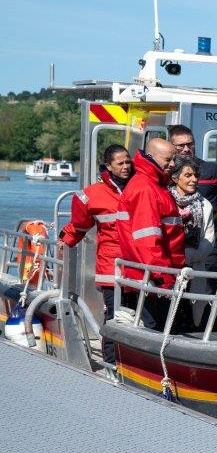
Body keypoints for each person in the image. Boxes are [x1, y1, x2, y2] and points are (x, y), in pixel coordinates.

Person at [58, 144, 133, 366]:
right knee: (113, 316)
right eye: (120, 163)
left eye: (128, 161)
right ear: (108, 166)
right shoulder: (93, 195)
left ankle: (131, 363)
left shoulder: (139, 187)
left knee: (134, 317)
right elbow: (80, 225)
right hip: (111, 267)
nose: (126, 166)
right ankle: (112, 363)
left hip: (138, 265)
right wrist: (66, 240)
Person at [115, 138, 185, 330]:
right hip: (152, 280)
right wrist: (163, 278)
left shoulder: (153, 185)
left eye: (174, 160)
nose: (172, 164)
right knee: (155, 330)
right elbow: (148, 239)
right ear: (152, 157)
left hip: (154, 275)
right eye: (168, 159)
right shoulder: (146, 188)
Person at [168, 125, 217, 271]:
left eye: (190, 144)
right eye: (180, 145)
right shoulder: (165, 172)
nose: (186, 149)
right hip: (174, 248)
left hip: (208, 246)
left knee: (204, 292)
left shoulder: (212, 170)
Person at [168, 156, 216, 328]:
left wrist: (189, 256)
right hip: (170, 268)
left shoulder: (205, 205)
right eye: (188, 175)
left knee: (192, 314)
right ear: (175, 178)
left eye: (195, 175)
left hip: (195, 266)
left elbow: (209, 238)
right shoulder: (165, 200)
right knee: (169, 313)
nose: (194, 179)